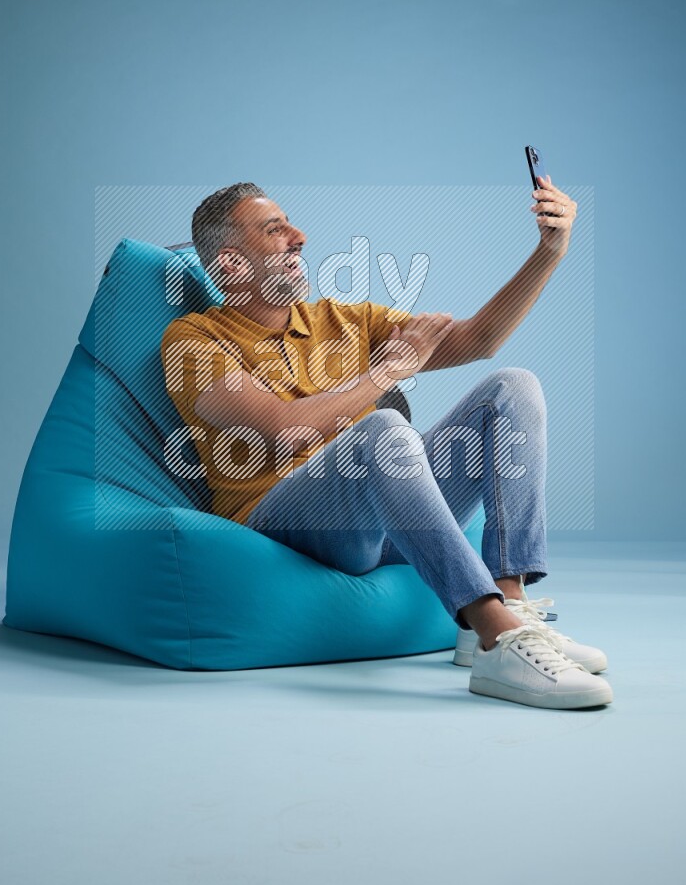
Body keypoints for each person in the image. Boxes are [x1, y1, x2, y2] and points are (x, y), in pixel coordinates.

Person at [161, 181, 612, 710]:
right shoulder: (190, 341)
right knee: (382, 431)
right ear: (232, 264)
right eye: (274, 229)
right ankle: (496, 639)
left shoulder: (344, 321)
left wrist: (548, 253)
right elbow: (284, 428)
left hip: (379, 523)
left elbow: (480, 339)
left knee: (512, 387)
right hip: (283, 526)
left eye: (291, 223)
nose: (299, 237)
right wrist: (387, 372)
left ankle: (512, 607)